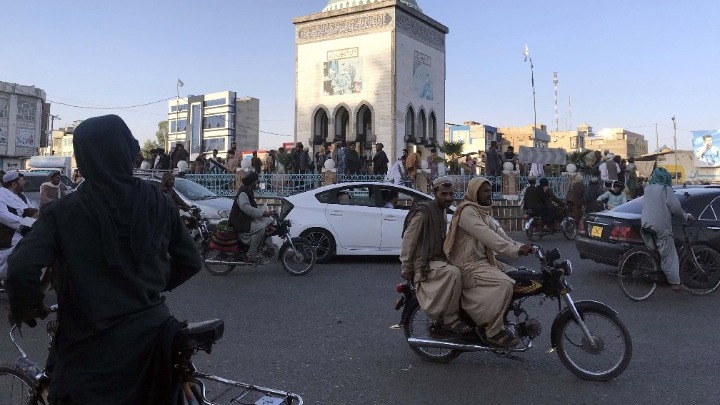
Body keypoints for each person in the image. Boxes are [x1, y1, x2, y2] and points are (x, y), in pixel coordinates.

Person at [5, 114, 202, 404]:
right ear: (128, 152)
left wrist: (30, 307)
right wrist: (146, 288)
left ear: (84, 160)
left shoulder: (63, 212)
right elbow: (190, 262)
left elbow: (21, 268)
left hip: (89, 352)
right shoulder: (159, 201)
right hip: (155, 342)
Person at [444, 177, 533, 347]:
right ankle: (493, 330)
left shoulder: (483, 212)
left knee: (520, 274)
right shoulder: (467, 212)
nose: (489, 194)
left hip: (483, 261)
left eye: (490, 191)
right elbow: (489, 238)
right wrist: (515, 250)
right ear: (474, 192)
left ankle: (503, 316)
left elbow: (500, 235)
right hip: (467, 265)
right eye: (485, 191)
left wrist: (524, 247)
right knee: (506, 283)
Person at [400, 177, 471, 334]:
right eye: (444, 194)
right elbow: (408, 241)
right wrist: (406, 268)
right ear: (434, 193)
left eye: (451, 194)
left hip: (438, 260)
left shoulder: (442, 211)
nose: (448, 198)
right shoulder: (424, 212)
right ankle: (449, 318)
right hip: (424, 264)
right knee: (453, 273)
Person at [641, 168, 694, 291]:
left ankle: (660, 271)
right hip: (660, 225)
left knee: (660, 250)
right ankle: (675, 283)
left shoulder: (647, 189)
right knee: (670, 255)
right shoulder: (665, 189)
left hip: (646, 223)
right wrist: (686, 217)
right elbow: (675, 208)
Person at [0, 171, 37, 284]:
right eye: (22, 180)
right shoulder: (1, 194)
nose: (24, 182)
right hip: (8, 231)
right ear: (14, 184)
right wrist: (24, 224)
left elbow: (32, 211)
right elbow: (3, 215)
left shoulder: (21, 196)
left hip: (24, 229)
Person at [229, 171, 274, 263]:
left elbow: (252, 208)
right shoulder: (243, 193)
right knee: (260, 228)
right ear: (252, 182)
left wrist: (265, 213)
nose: (257, 183)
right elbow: (246, 208)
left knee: (267, 222)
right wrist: (263, 213)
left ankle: (260, 247)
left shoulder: (248, 191)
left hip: (245, 220)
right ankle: (251, 253)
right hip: (240, 222)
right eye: (257, 181)